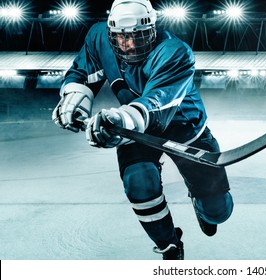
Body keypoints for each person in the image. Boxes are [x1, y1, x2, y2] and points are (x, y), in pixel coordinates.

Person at [52, 0, 233, 260]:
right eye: (122, 38)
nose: (130, 45)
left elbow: (158, 105)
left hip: (184, 129)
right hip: (135, 130)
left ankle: (204, 204)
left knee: (219, 212)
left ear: (152, 29)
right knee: (138, 183)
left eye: (138, 37)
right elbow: (82, 73)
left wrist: (117, 121)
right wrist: (74, 99)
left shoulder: (175, 51)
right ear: (111, 33)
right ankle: (169, 243)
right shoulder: (98, 37)